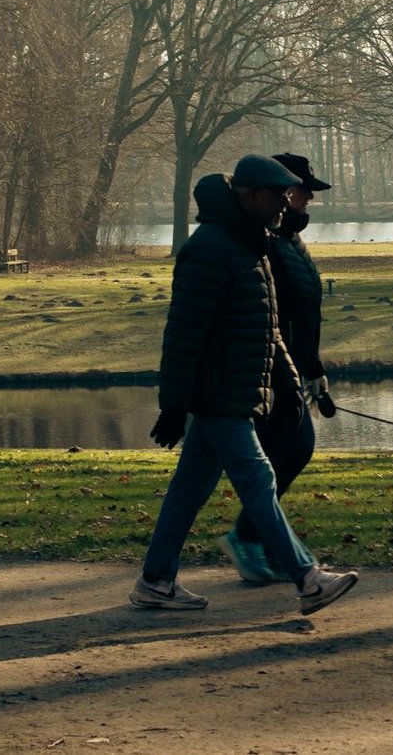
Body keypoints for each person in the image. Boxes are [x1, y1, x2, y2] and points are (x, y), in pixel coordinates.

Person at [130, 154, 359, 616]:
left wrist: (290, 385)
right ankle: (307, 578)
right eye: (277, 196)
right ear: (250, 195)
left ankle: (156, 580)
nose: (285, 205)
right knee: (258, 479)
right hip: (218, 394)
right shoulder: (210, 247)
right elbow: (183, 334)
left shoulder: (251, 245)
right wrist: (173, 406)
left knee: (190, 488)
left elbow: (269, 330)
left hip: (237, 391)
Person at [217, 152, 336, 584]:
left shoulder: (290, 240)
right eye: (304, 191)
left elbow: (306, 312)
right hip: (270, 373)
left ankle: (261, 543)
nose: (308, 200)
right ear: (282, 191)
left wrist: (314, 369)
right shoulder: (266, 242)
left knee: (280, 456)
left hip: (293, 370)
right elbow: (269, 316)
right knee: (289, 451)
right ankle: (254, 541)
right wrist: (283, 372)